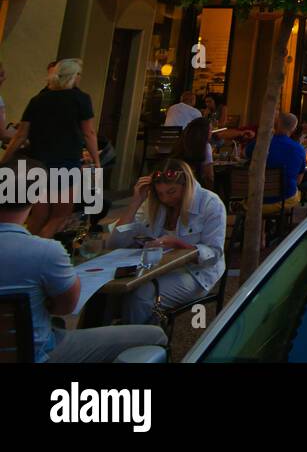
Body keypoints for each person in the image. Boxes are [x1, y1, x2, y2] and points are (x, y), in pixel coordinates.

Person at [0, 159, 168, 362]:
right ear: (38, 196)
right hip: (40, 354)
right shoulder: (46, 252)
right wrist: (55, 219)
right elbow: (66, 307)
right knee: (155, 336)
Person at [107, 159, 226, 325]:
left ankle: (142, 343)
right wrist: (136, 202)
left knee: (141, 297)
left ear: (186, 186)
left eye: (172, 192)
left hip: (195, 272)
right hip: (155, 269)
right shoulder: (153, 203)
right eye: (161, 194)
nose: (166, 199)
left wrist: (180, 245)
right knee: (105, 296)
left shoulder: (210, 204)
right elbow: (115, 243)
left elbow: (214, 253)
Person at [0, 59, 98, 238]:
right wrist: (97, 162)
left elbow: (21, 135)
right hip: (65, 163)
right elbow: (89, 133)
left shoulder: (38, 99)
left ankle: (23, 249)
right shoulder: (80, 99)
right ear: (74, 76)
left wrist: (5, 160)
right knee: (59, 216)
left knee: (38, 217)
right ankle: (34, 254)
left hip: (37, 163)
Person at [244, 112, 306, 215]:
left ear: (275, 124)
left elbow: (244, 154)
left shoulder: (260, 143)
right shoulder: (299, 149)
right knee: (295, 192)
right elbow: (298, 180)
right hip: (284, 199)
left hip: (255, 198)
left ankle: (263, 228)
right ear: (294, 129)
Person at [169, 117, 213, 189]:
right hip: (195, 186)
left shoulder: (180, 143)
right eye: (210, 130)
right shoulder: (205, 146)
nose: (211, 133)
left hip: (176, 184)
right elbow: (209, 176)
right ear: (204, 132)